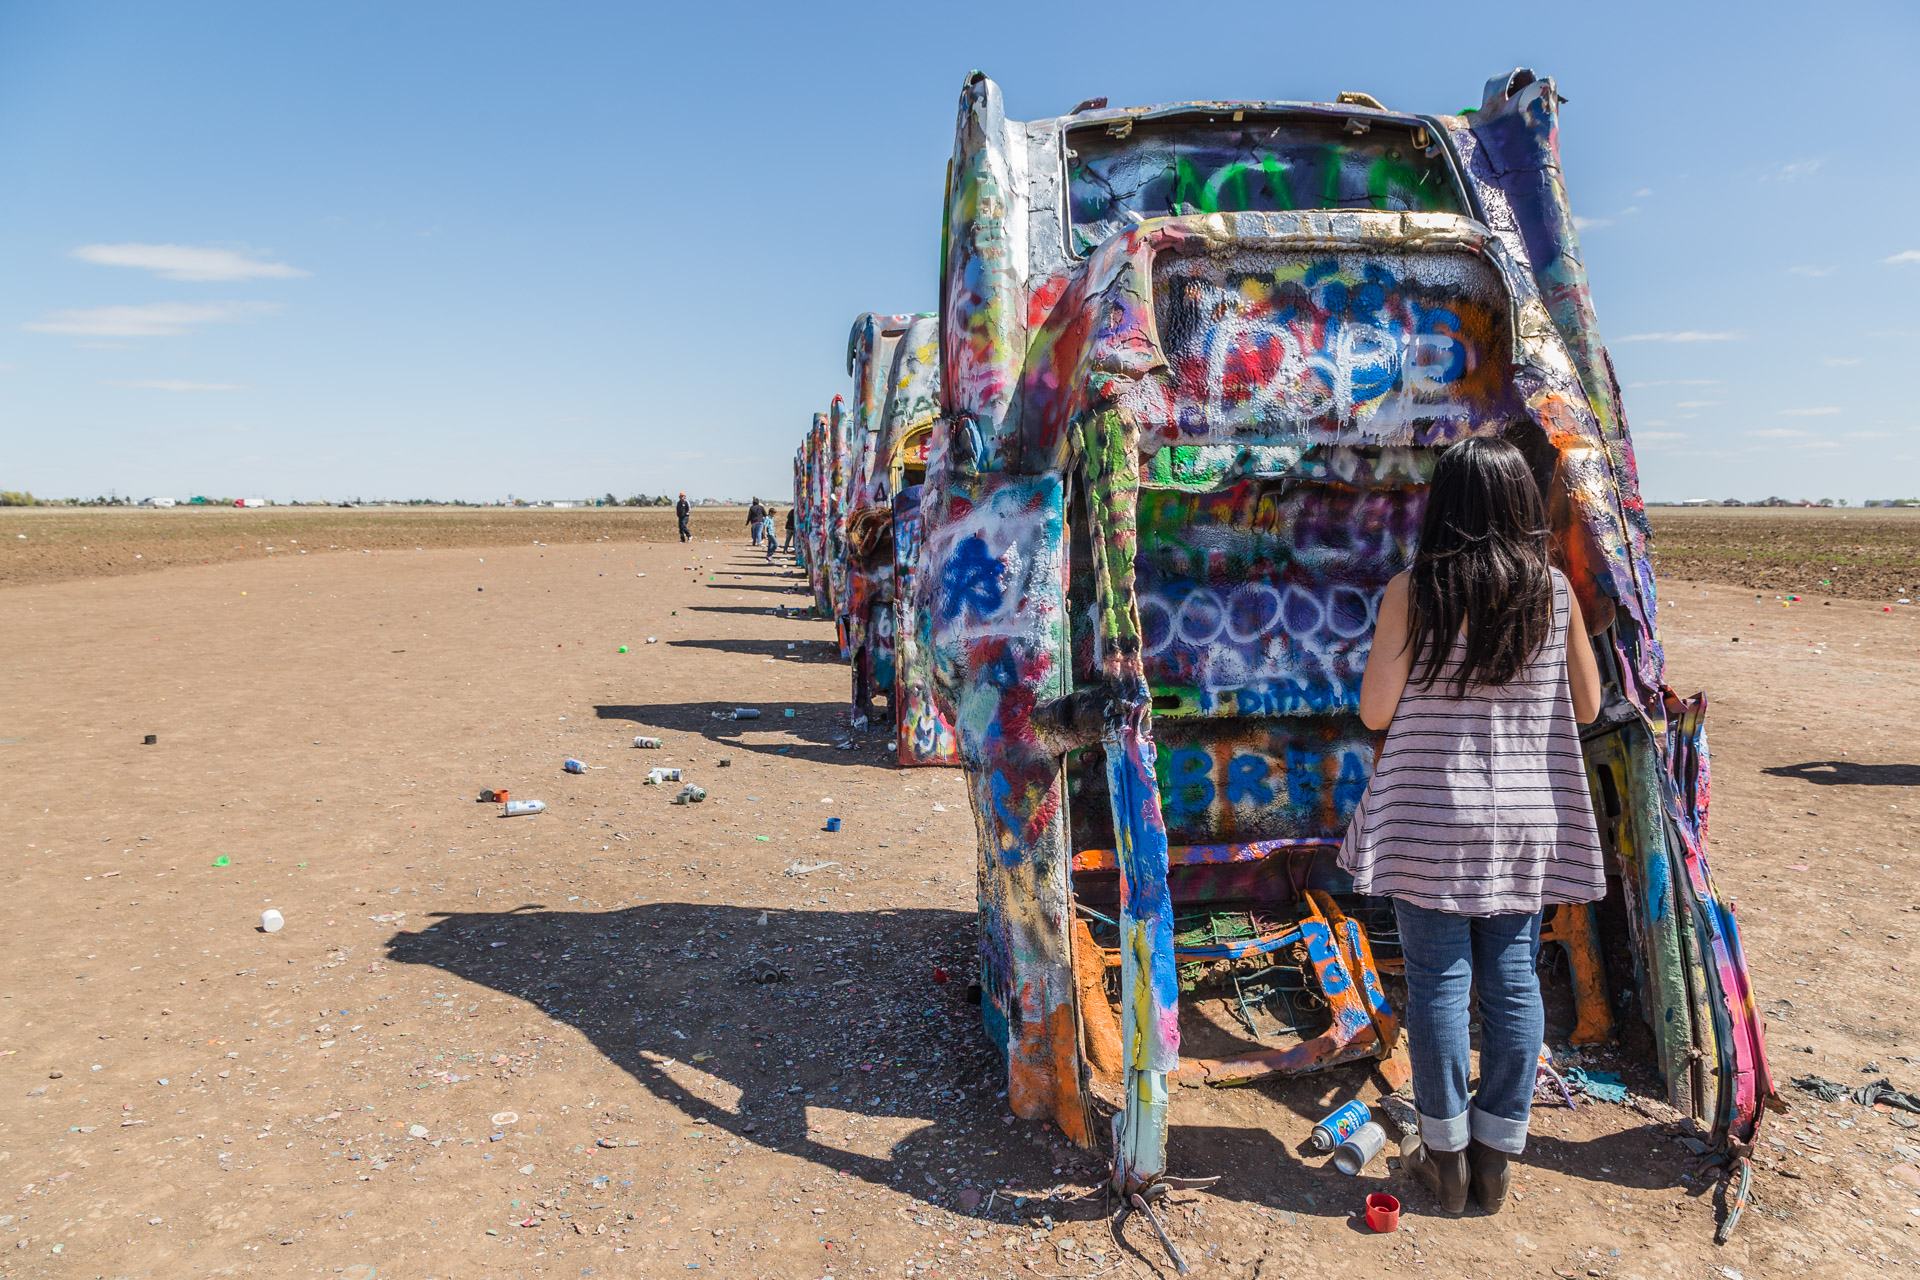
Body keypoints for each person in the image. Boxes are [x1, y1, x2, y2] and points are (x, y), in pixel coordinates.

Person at [1337, 437, 1603, 1217]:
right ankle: (1496, 1157)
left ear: (1444, 506)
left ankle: (1445, 1160)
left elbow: (1375, 711)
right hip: (1525, 820)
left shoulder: (1413, 592)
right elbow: (1587, 707)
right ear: (1521, 505)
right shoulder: (1554, 594)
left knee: (1439, 987)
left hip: (1429, 818)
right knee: (1514, 982)